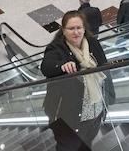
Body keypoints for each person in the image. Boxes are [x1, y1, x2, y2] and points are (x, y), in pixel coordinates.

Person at [41, 11, 113, 151]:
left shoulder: (92, 43)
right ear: (63, 30)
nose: (76, 32)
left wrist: (109, 98)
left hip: (95, 113)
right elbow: (46, 66)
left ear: (84, 28)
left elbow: (105, 68)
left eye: (79, 28)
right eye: (71, 28)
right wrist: (61, 66)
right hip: (68, 119)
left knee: (86, 145)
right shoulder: (57, 48)